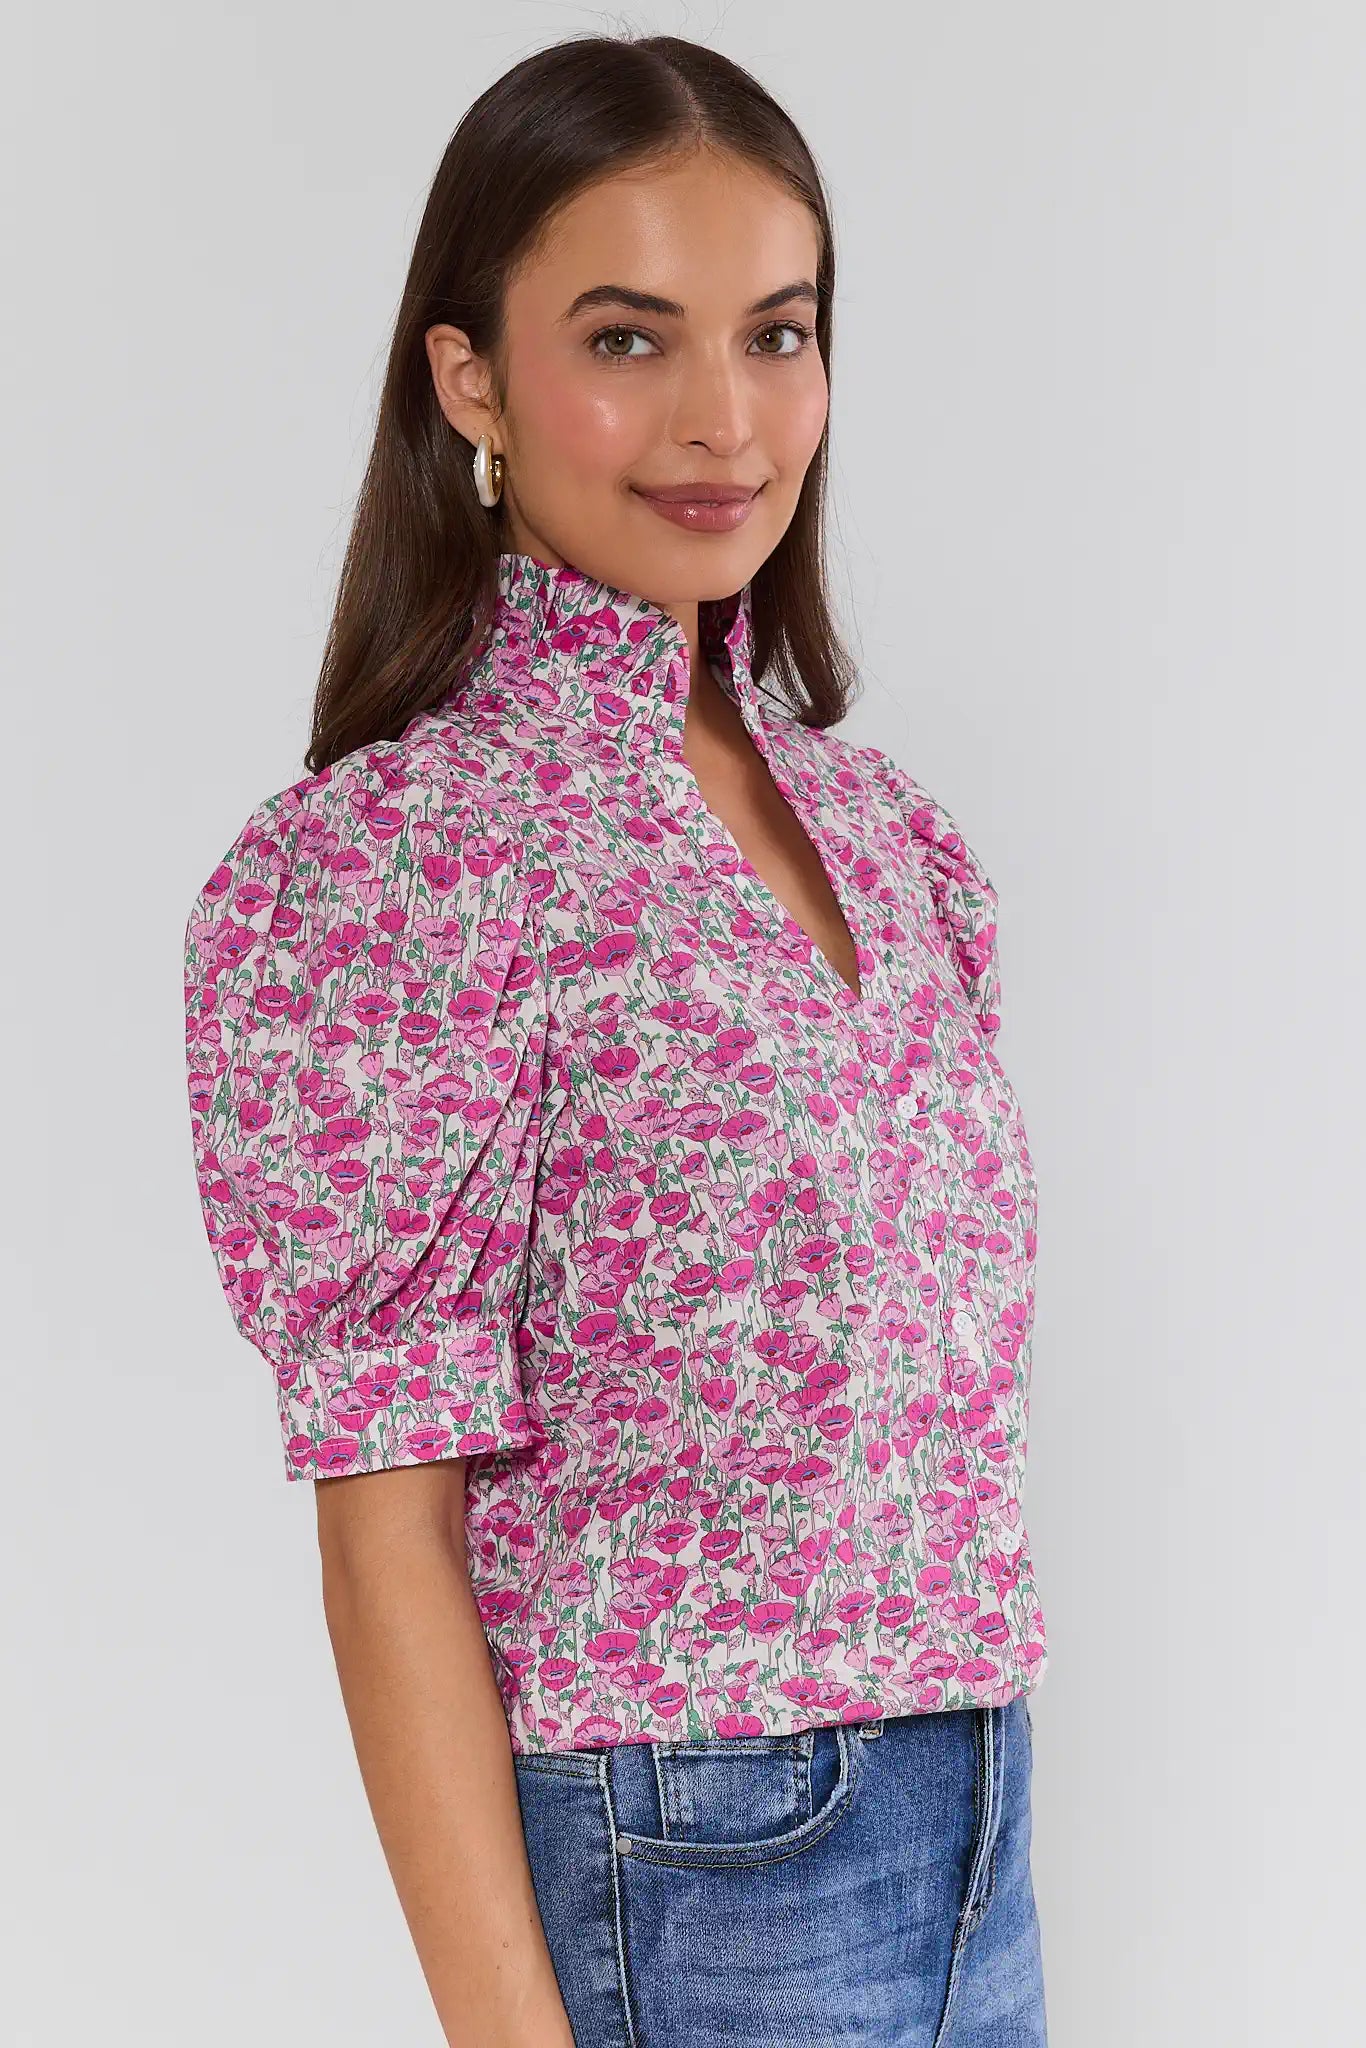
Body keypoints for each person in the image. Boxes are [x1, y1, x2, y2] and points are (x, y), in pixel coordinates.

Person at [181, 31, 1050, 2048]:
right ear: (467, 377)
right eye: (627, 339)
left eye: (776, 334)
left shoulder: (888, 837)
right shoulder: (402, 867)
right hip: (698, 1854)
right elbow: (387, 1530)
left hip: (976, 1819)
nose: (723, 419)